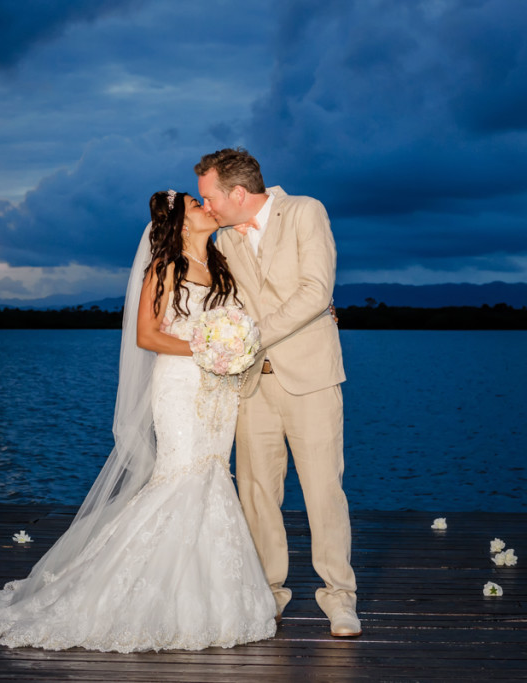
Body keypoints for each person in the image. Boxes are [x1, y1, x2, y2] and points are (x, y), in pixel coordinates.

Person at [0, 190, 276, 652]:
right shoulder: (165, 267)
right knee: (180, 477)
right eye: (195, 204)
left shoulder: (222, 264)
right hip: (181, 387)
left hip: (220, 391)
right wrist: (209, 350)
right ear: (181, 223)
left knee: (212, 476)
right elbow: (147, 334)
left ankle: (206, 600)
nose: (206, 206)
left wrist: (236, 351)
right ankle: (123, 595)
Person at [195, 149, 360, 637]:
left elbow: (315, 291)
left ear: (238, 193)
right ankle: (268, 594)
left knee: (323, 490)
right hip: (252, 382)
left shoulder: (306, 211)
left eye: (210, 197)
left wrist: (248, 336)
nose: (207, 206)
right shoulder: (223, 240)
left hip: (310, 378)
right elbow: (224, 301)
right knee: (257, 493)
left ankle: (340, 599)